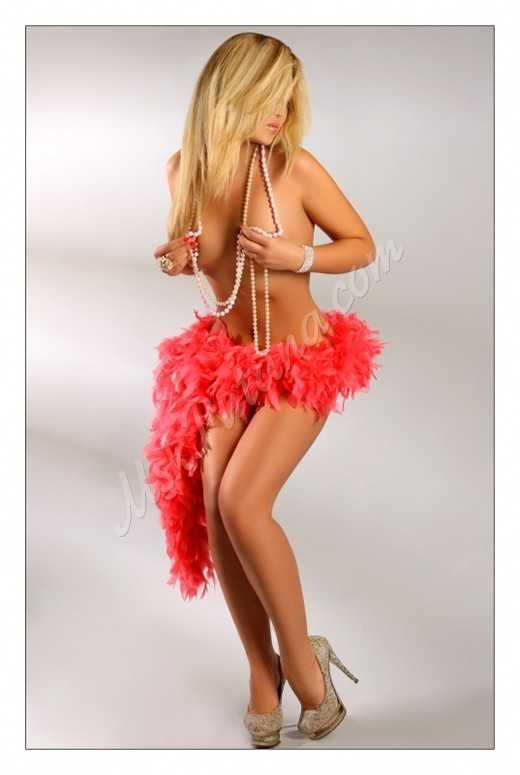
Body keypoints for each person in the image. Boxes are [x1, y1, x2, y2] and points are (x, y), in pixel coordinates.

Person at [143, 31, 384, 747]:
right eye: (267, 95)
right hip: (228, 360)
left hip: (301, 360)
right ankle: (261, 671)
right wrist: (181, 257)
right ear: (229, 96)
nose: (281, 110)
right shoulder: (183, 170)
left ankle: (306, 666)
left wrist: (297, 254)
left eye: (288, 95)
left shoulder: (295, 169)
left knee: (244, 501)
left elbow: (362, 245)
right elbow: (207, 257)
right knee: (216, 511)